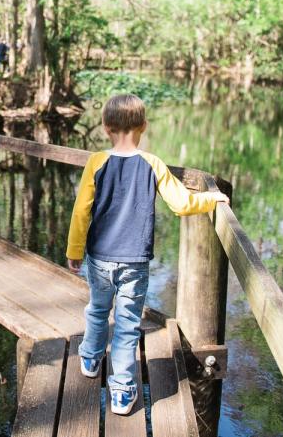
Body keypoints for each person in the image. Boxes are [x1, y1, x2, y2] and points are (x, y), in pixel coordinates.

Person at [65, 94, 229, 415]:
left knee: (98, 309)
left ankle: (90, 356)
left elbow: (81, 211)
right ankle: (123, 391)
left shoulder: (96, 162)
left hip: (99, 257)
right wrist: (211, 198)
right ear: (143, 126)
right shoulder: (153, 164)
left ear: (105, 127)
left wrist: (74, 251)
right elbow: (182, 204)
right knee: (127, 324)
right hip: (135, 261)